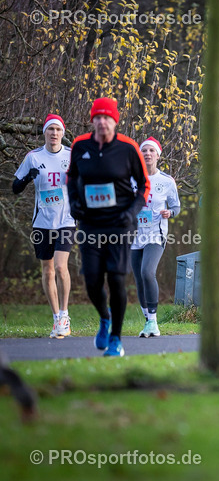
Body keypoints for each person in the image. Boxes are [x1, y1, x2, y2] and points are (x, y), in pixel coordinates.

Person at [66, 98, 149, 357]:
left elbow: (144, 185)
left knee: (116, 278)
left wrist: (131, 213)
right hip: (90, 224)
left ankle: (116, 339)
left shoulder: (128, 147)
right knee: (92, 279)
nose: (102, 122)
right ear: (92, 120)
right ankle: (105, 317)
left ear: (115, 121)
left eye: (107, 118)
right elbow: (72, 177)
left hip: (119, 224)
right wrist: (74, 204)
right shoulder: (80, 145)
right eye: (98, 117)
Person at [12, 114, 75, 338]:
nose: (54, 133)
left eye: (58, 130)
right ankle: (56, 318)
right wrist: (27, 177)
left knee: (60, 267)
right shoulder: (33, 157)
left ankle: (65, 315)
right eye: (50, 129)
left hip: (66, 220)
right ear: (44, 132)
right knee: (47, 270)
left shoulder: (71, 155)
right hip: (42, 223)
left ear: (62, 133)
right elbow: (15, 187)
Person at [130, 137, 181, 338]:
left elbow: (176, 206)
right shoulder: (130, 179)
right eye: (144, 151)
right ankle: (148, 320)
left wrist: (170, 213)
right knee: (139, 278)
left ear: (158, 155)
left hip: (156, 235)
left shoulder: (166, 181)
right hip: (134, 235)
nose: (148, 154)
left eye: (152, 151)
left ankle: (153, 321)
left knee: (147, 272)